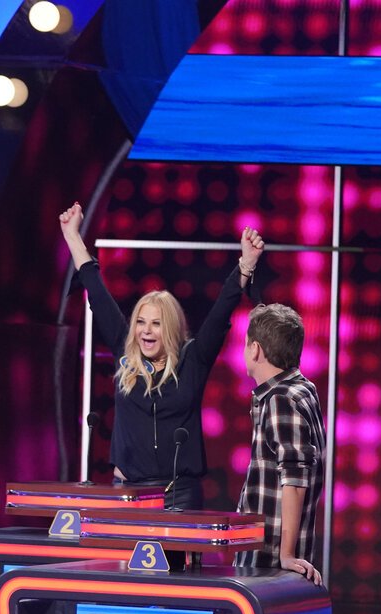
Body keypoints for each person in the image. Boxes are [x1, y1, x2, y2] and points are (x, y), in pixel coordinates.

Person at [59, 202, 264, 510]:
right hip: (127, 492)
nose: (146, 331)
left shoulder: (192, 360)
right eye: (140, 322)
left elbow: (221, 311)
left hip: (179, 495)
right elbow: (97, 293)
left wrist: (246, 264)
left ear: (170, 328)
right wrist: (72, 236)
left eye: (155, 323)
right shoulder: (125, 353)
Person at [233, 303, 327, 614]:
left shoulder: (284, 399)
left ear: (255, 349)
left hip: (269, 562)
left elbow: (295, 478)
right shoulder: (294, 390)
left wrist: (287, 554)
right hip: (265, 556)